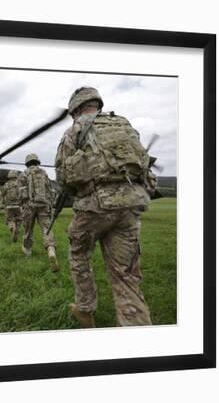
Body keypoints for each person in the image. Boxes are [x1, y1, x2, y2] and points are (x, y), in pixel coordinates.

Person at [55, 86, 156, 328]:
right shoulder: (125, 126)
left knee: (79, 255)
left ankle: (85, 309)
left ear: (77, 108)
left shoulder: (75, 131)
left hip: (94, 207)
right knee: (126, 273)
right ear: (96, 104)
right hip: (130, 205)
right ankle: (138, 329)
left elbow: (62, 176)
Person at [18, 153, 59, 272]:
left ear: (27, 163)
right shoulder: (43, 172)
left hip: (29, 205)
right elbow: (51, 190)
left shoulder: (23, 174)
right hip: (44, 204)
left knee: (28, 229)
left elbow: (21, 193)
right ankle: (51, 250)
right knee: (47, 228)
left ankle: (27, 252)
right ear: (37, 161)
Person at [1, 170, 22, 242]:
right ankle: (17, 229)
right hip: (19, 206)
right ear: (16, 176)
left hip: (9, 206)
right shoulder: (20, 184)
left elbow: (2, 194)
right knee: (19, 219)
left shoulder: (6, 185)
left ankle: (12, 228)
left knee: (9, 219)